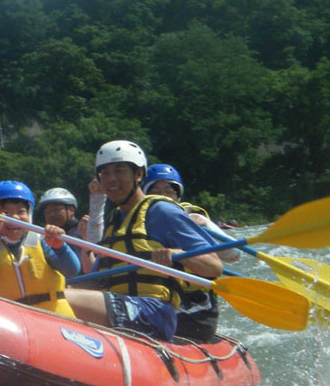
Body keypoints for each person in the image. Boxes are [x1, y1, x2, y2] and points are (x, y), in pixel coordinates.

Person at [61, 142, 223, 342]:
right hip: (118, 305)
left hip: (152, 312)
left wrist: (177, 255)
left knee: (61, 299)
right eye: (105, 173)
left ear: (138, 175)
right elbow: (96, 277)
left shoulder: (161, 211)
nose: (111, 179)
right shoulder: (114, 220)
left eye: (119, 171)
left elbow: (214, 267)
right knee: (49, 295)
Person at [141, 163, 239, 341]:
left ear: (177, 195)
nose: (163, 196)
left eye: (168, 191)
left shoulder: (188, 218)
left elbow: (233, 254)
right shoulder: (135, 222)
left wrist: (204, 223)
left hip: (194, 306)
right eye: (155, 191)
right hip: (155, 301)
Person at [0, 180, 80, 316]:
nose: (14, 217)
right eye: (6, 212)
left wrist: (61, 248)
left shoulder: (43, 240)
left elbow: (73, 270)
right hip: (17, 320)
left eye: (21, 211)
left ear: (29, 214)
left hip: (54, 316)